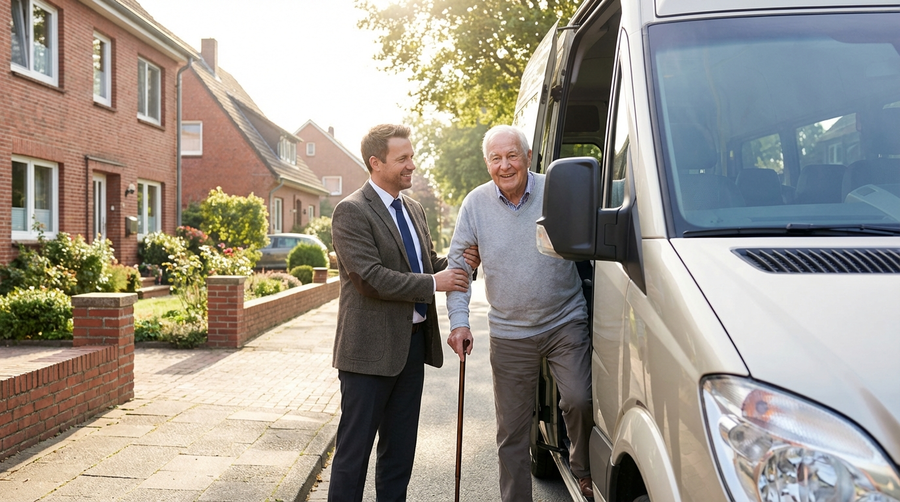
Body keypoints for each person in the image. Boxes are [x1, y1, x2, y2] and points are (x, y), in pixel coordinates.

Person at [328, 124, 479, 502]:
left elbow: (428, 263)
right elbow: (370, 278)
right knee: (353, 455)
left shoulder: (413, 208)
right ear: (376, 163)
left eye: (411, 156)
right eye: (403, 158)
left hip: (411, 350)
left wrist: (464, 263)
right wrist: (434, 283)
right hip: (367, 355)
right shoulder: (351, 211)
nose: (412, 164)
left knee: (399, 454)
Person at [445, 125, 594, 501]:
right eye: (496, 158)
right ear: (487, 163)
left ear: (528, 157)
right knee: (511, 432)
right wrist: (460, 323)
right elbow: (458, 270)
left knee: (579, 399)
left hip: (564, 319)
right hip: (510, 332)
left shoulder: (555, 191)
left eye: (512, 155)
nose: (505, 165)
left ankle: (584, 471)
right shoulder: (475, 205)